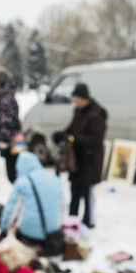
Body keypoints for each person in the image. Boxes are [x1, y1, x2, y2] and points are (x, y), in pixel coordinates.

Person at [55, 83, 106, 228]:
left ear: (85, 99)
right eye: (74, 101)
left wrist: (73, 138)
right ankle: (72, 220)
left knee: (87, 193)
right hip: (77, 161)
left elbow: (96, 140)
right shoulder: (78, 112)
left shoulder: (97, 113)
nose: (76, 104)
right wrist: (62, 135)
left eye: (78, 101)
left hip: (90, 161)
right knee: (74, 191)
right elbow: (71, 129)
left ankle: (88, 221)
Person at [1, 151, 62, 244]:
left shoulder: (22, 182)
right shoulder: (54, 179)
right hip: (52, 231)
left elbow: (12, 209)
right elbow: (62, 206)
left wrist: (4, 229)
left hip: (28, 232)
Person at [0, 69, 21, 182]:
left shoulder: (5, 98)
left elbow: (6, 121)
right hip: (15, 138)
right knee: (14, 172)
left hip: (11, 141)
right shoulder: (9, 96)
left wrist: (2, 140)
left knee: (13, 174)